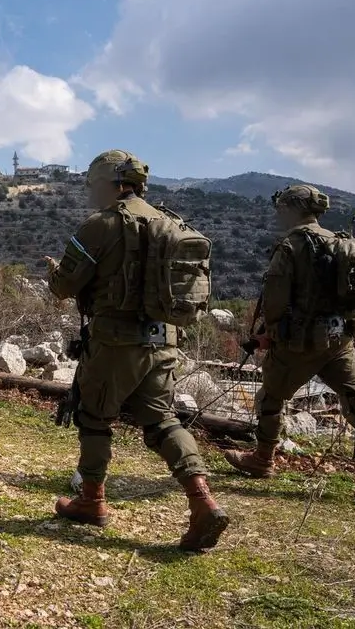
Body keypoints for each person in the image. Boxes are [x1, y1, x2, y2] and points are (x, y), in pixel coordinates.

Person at [44, 149, 229, 552]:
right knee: (163, 420)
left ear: (109, 182)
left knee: (94, 418)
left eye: (94, 185)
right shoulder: (171, 222)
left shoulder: (100, 225)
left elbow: (65, 287)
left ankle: (91, 500)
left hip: (114, 341)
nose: (91, 193)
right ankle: (202, 500)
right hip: (163, 340)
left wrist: (53, 273)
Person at [224, 185, 355, 505]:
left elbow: (274, 302)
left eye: (281, 209)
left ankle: (262, 459)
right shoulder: (342, 243)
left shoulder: (291, 246)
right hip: (339, 340)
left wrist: (267, 335)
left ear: (290, 210)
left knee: (271, 398)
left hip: (298, 344)